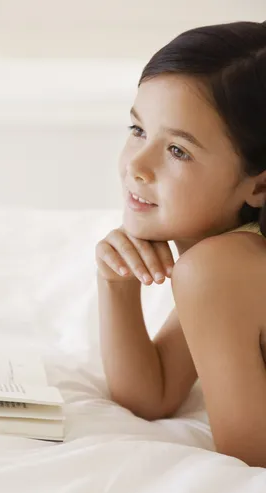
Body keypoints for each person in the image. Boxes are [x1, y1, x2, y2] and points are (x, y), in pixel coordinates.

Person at [95, 21, 266, 468]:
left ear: (260, 186)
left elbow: (250, 458)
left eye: (178, 151)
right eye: (137, 130)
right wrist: (116, 283)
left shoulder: (219, 270)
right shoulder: (231, 255)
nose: (138, 164)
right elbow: (152, 396)